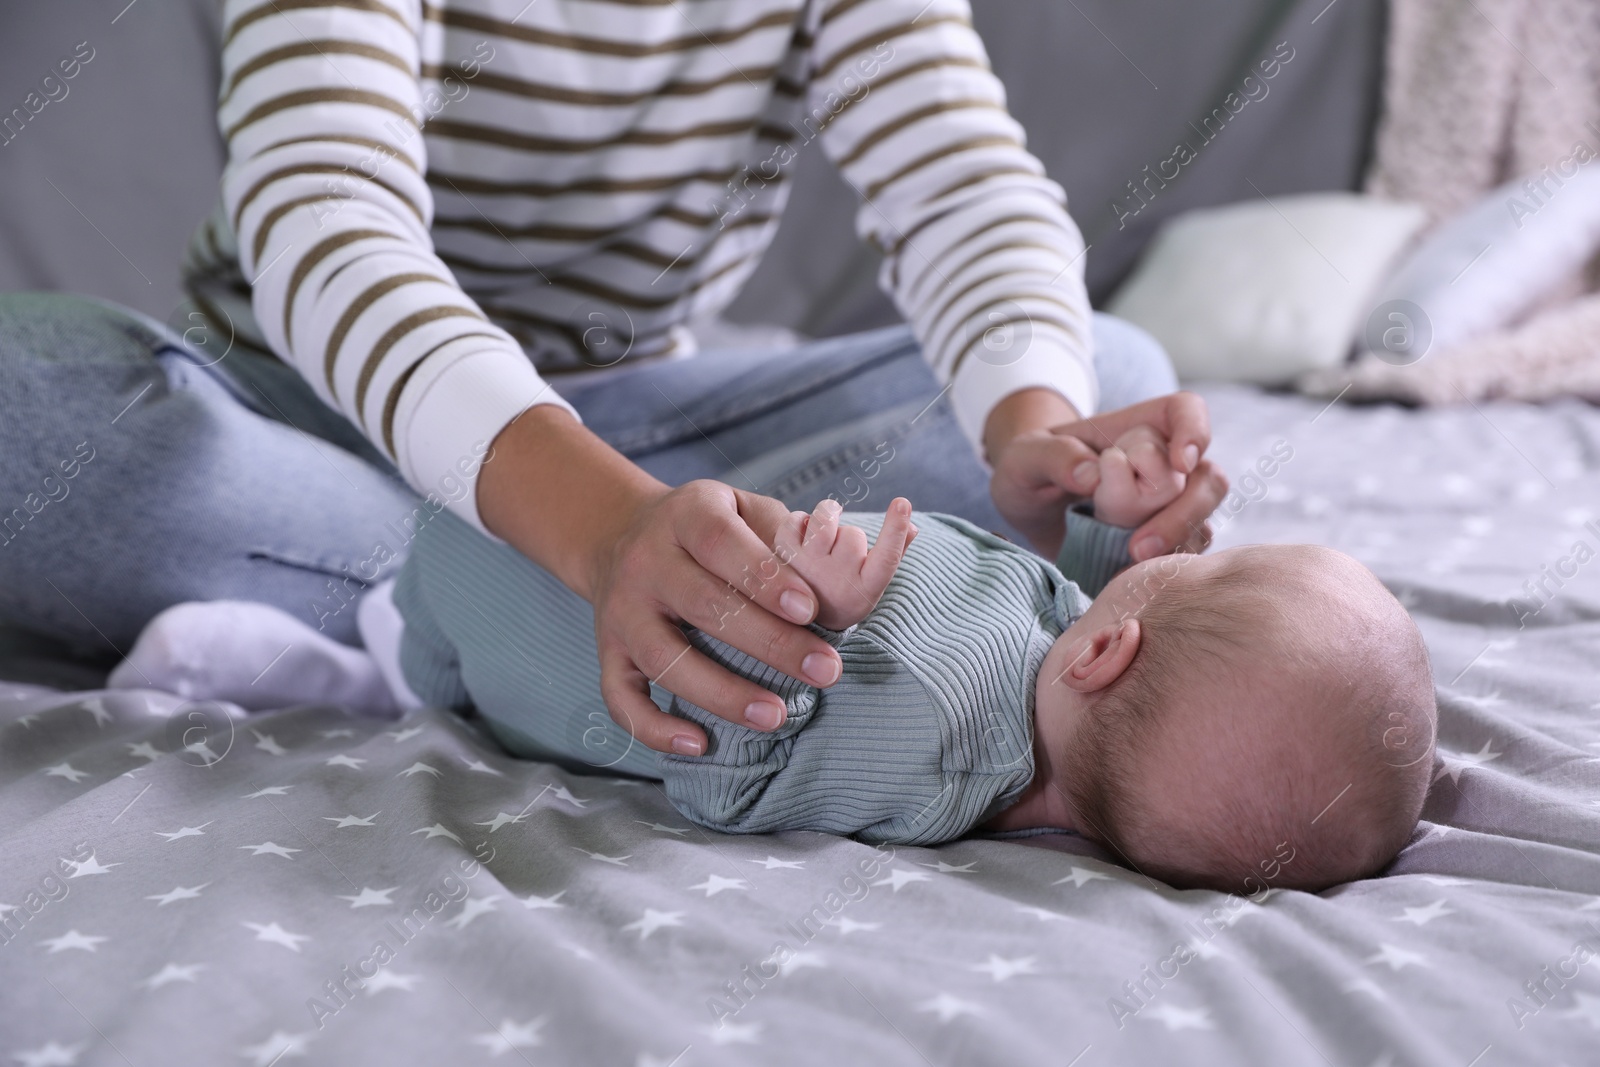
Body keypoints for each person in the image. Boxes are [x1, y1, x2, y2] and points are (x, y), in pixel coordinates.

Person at [0, 0, 1225, 758]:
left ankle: (491, 604)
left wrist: (1033, 426)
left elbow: (961, 187)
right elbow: (327, 216)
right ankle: (558, 588)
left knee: (1103, 371)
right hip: (292, 411)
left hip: (638, 432)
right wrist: (596, 527)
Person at [106, 423, 1434, 892]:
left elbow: (727, 779)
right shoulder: (1050, 679)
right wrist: (1105, 519)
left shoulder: (933, 732)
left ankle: (364, 668)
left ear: (1112, 651)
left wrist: (810, 637)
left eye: (1201, 565)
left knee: (435, 584)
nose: (1182, 550)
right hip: (645, 524)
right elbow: (1066, 595)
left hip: (541, 638)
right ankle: (380, 636)